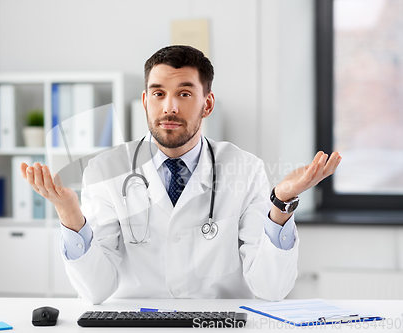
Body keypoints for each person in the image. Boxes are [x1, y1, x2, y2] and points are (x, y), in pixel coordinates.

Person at [20, 45, 341, 305]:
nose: (169, 107)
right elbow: (95, 291)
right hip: (134, 326)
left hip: (217, 326)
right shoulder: (106, 170)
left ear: (207, 103)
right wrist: (71, 216)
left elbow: (271, 288)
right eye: (158, 94)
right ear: (145, 101)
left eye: (184, 94)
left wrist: (281, 204)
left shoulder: (244, 168)